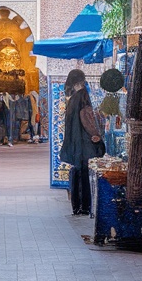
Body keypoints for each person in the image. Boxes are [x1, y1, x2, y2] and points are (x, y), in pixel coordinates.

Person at [59, 69, 102, 215]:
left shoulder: (73, 99)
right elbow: (87, 119)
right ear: (81, 81)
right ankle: (85, 206)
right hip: (85, 142)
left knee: (77, 173)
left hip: (75, 142)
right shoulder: (84, 96)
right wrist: (96, 134)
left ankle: (76, 206)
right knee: (84, 174)